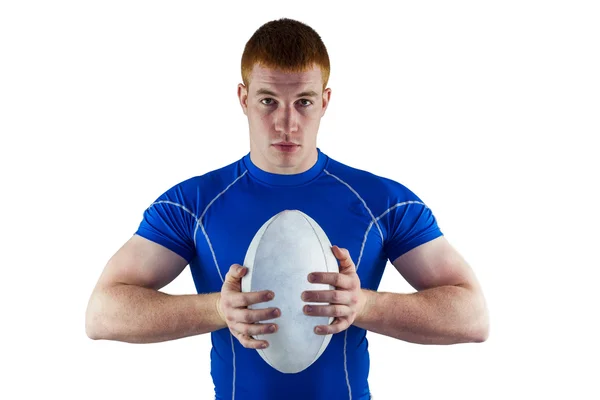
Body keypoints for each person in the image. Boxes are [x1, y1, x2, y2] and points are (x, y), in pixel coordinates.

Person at [85, 17, 489, 400]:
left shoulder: (382, 201)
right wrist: (219, 309)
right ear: (243, 99)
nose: (286, 122)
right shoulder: (191, 204)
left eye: (304, 101)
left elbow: (472, 317)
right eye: (268, 100)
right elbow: (103, 314)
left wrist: (365, 304)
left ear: (325, 101)